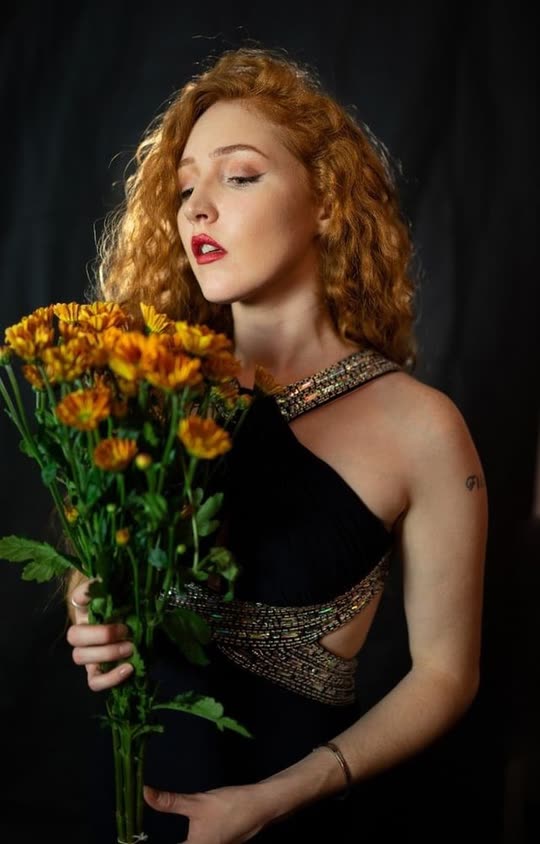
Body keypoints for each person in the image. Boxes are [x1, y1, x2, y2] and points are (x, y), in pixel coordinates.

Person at [66, 47, 488, 843]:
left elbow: (445, 674)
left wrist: (274, 800)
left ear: (325, 200)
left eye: (239, 176)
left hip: (287, 816)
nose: (197, 209)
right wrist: (88, 605)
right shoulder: (151, 391)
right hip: (124, 798)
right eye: (185, 188)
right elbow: (101, 569)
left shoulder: (422, 428)